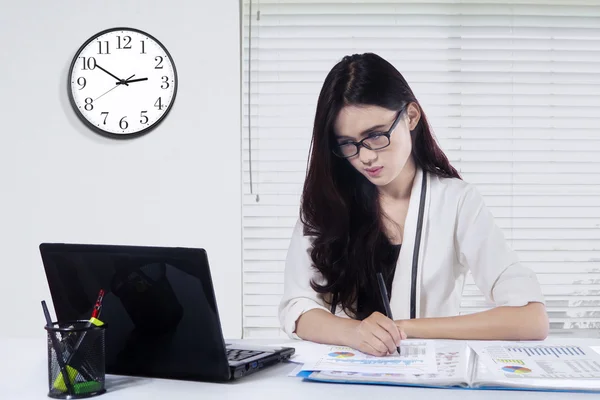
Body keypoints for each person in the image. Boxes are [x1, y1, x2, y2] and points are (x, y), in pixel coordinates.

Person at [278, 53, 549, 357]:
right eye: (347, 143)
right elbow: (297, 309)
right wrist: (355, 333)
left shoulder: (457, 201)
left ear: (411, 117)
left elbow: (531, 319)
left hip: (427, 376)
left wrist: (404, 329)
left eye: (376, 136)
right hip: (343, 376)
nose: (365, 157)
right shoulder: (326, 200)